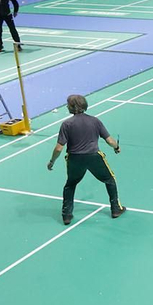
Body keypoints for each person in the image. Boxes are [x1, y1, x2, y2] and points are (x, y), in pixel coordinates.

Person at [46, 94, 124, 225]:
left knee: (70, 185)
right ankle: (115, 209)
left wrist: (52, 161)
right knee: (109, 179)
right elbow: (110, 141)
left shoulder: (66, 124)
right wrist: (116, 147)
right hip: (94, 157)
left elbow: (59, 148)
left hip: (74, 159)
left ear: (72, 107)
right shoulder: (95, 121)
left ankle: (66, 215)